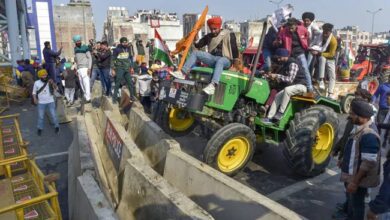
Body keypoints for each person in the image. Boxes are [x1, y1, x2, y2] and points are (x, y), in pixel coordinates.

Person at [170, 17, 239, 95]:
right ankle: (182, 73)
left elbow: (235, 50)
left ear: (219, 27)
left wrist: (235, 66)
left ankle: (213, 85)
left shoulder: (229, 34)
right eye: (211, 29)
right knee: (195, 53)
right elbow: (198, 45)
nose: (213, 31)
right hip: (213, 59)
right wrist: (195, 38)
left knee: (220, 61)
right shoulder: (209, 36)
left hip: (226, 60)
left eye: (215, 29)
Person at [339, 99, 380, 220]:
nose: (349, 116)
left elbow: (368, 163)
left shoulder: (369, 134)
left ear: (362, 116)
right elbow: (354, 148)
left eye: (352, 114)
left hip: (358, 179)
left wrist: (354, 182)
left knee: (357, 205)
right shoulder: (360, 126)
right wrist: (343, 160)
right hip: (353, 175)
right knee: (352, 203)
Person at [262, 48, 307, 123]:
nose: (278, 59)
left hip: (301, 86)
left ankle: (280, 113)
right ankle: (269, 118)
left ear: (284, 56)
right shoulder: (285, 64)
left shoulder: (293, 63)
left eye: (280, 57)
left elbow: (290, 79)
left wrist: (277, 76)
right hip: (293, 86)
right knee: (277, 96)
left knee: (287, 90)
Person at [275, 18, 313, 93]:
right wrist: (279, 41)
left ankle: (310, 88)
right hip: (290, 53)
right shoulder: (284, 31)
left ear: (296, 25)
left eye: (292, 27)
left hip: (299, 52)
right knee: (289, 69)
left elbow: (307, 35)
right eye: (289, 27)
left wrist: (306, 44)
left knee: (305, 69)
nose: (290, 29)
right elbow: (279, 38)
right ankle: (288, 86)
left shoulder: (302, 29)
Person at [32, 69, 60, 136]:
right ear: (40, 76)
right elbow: (34, 92)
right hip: (41, 102)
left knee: (53, 115)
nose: (44, 76)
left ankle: (57, 126)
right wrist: (35, 99)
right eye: (43, 75)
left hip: (50, 101)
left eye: (45, 75)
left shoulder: (49, 81)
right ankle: (39, 128)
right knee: (41, 116)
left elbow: (56, 89)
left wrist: (53, 83)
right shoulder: (36, 83)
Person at [314, 23, 337, 98]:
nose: (325, 34)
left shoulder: (333, 41)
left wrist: (320, 53)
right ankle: (321, 80)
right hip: (321, 57)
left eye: (327, 32)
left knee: (332, 76)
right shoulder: (320, 36)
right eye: (324, 32)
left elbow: (331, 54)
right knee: (322, 59)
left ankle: (330, 93)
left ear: (330, 32)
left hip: (330, 59)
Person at [112, 37, 137, 104]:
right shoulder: (117, 50)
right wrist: (113, 69)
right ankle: (114, 98)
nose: (125, 43)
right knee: (117, 83)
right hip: (120, 68)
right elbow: (113, 60)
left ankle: (132, 96)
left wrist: (131, 67)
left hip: (127, 68)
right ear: (121, 42)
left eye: (126, 42)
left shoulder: (128, 49)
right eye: (123, 42)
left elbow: (129, 59)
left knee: (130, 83)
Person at [73, 35, 92, 103]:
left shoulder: (85, 47)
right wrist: (76, 68)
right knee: (81, 84)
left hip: (85, 68)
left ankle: (88, 98)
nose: (79, 42)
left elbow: (89, 58)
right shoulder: (75, 49)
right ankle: (86, 96)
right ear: (75, 42)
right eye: (77, 41)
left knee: (86, 82)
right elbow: (76, 60)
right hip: (79, 69)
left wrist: (89, 68)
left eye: (79, 40)